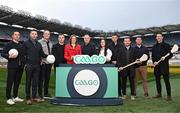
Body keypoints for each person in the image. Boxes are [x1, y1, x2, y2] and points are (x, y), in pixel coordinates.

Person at [23, 30, 47, 105]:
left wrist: (49, 56)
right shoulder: (25, 43)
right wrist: (26, 63)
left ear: (37, 35)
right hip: (29, 65)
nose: (34, 35)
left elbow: (42, 54)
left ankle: (34, 96)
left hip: (37, 66)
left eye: (35, 34)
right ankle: (28, 97)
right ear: (30, 35)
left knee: (35, 82)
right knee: (28, 82)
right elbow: (23, 54)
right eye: (32, 34)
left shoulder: (39, 44)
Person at [1, 31, 25, 105]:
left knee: (17, 82)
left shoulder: (21, 45)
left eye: (18, 35)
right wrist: (9, 56)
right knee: (10, 82)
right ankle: (8, 98)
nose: (17, 36)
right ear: (12, 36)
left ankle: (15, 97)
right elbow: (2, 53)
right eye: (15, 35)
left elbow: (23, 56)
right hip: (12, 67)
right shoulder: (8, 44)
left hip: (20, 67)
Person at [152, 33, 173, 101]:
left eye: (160, 36)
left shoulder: (167, 45)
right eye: (157, 36)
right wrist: (154, 62)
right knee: (157, 81)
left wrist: (165, 58)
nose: (158, 37)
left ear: (162, 37)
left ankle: (169, 95)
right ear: (156, 38)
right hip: (157, 66)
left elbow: (170, 54)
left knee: (166, 81)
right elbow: (153, 56)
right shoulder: (154, 46)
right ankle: (159, 93)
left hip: (164, 66)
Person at [38, 30, 53, 100]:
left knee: (47, 79)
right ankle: (40, 94)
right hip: (43, 63)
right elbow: (38, 53)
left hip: (49, 64)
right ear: (43, 35)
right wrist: (40, 61)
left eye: (48, 34)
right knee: (41, 80)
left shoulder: (51, 43)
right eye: (46, 34)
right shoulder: (39, 42)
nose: (47, 35)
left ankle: (46, 93)